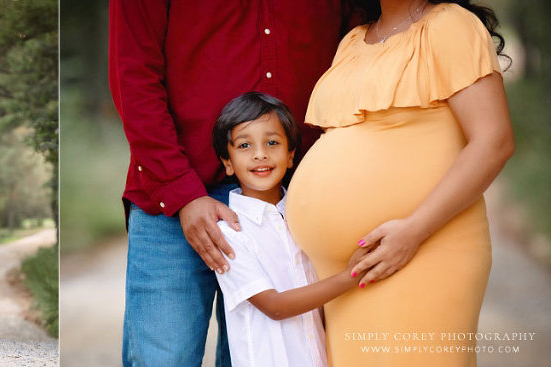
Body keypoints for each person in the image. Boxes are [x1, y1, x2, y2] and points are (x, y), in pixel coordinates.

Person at [108, 1, 346, 364]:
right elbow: (132, 75)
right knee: (164, 358)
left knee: (263, 353)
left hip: (289, 200)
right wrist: (182, 192)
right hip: (172, 194)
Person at [285, 1, 514, 365]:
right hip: (346, 274)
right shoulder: (354, 41)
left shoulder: (450, 25)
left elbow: (494, 141)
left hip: (422, 248)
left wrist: (413, 231)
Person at [212, 92, 368, 367]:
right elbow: (275, 306)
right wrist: (350, 277)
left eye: (272, 142)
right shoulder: (229, 234)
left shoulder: (303, 217)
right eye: (245, 145)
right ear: (227, 162)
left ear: (290, 155)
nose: (260, 153)